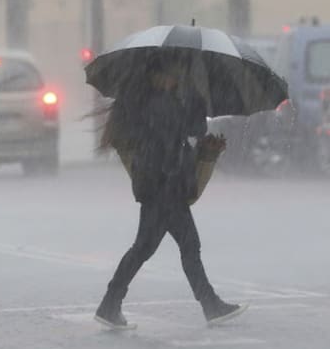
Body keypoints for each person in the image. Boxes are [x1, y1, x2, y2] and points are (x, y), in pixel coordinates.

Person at [95, 53, 247, 329]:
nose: (175, 79)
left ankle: (110, 304)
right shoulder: (160, 104)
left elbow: (185, 133)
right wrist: (195, 99)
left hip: (161, 186)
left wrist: (190, 100)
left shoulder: (152, 103)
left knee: (148, 248)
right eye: (173, 74)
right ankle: (210, 305)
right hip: (165, 188)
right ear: (158, 76)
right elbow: (192, 128)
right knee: (183, 247)